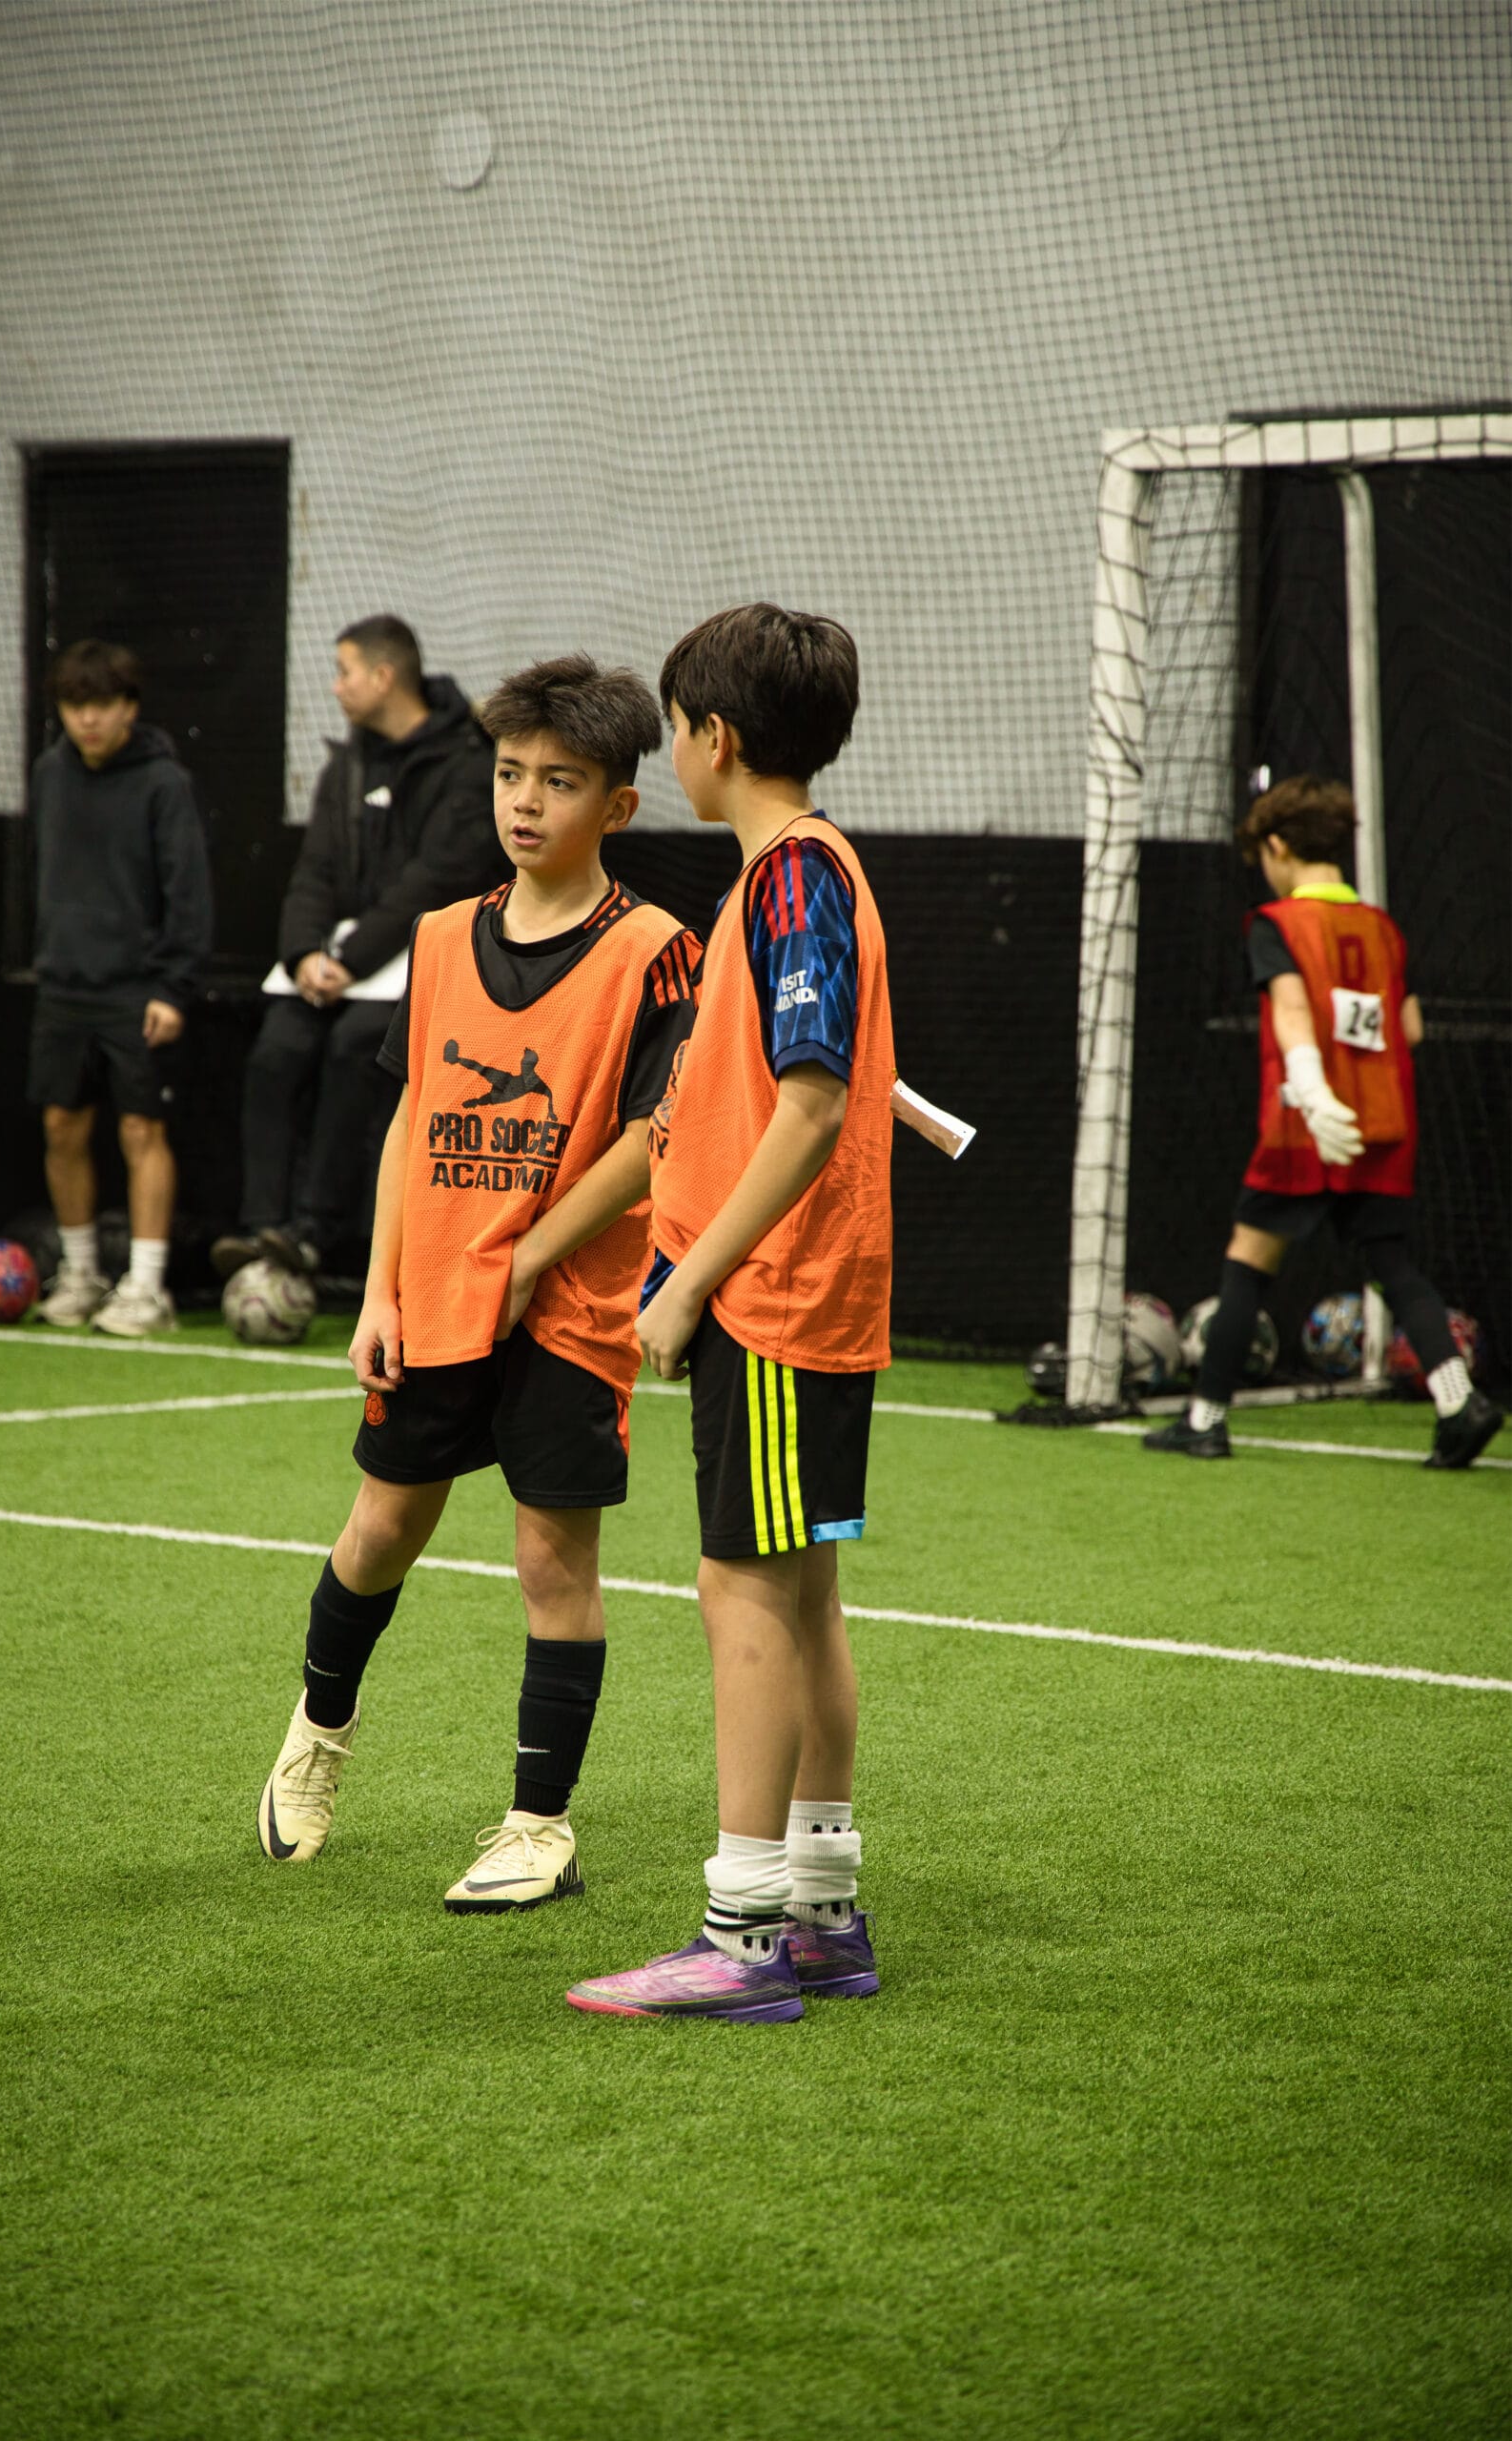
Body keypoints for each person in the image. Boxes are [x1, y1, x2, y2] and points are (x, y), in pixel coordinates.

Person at [255, 654, 704, 1912]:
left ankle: (535, 1826)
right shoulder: (443, 935)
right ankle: (316, 1739)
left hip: (567, 1310)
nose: (526, 802)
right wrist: (382, 1292)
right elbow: (412, 1114)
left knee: (553, 1565)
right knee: (379, 1532)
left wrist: (536, 1256)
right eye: (510, 775)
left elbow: (649, 1138)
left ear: (616, 805)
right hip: (436, 1293)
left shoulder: (658, 951)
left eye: (558, 783)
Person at [564, 603, 891, 2027]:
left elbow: (809, 1102)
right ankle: (819, 1913)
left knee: (743, 1593)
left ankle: (741, 1936)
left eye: (678, 723)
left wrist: (692, 1279)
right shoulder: (794, 881)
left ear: (714, 738)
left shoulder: (788, 884)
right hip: (799, 1298)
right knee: (800, 1592)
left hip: (770, 1303)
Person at [1144, 773, 1503, 1469]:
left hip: (1302, 1126)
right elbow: (1411, 1029)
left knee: (1247, 1263)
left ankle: (1206, 1419)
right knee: (1394, 1268)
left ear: (1277, 846)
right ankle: (1460, 1401)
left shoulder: (1276, 925)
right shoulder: (1382, 929)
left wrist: (1311, 1086)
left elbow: (1288, 1010)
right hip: (1379, 1125)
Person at [212, 616, 501, 1284]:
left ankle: (311, 1233)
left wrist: (353, 961)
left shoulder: (466, 765)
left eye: (344, 672)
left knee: (356, 1049)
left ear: (383, 676)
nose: (336, 687)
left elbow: (436, 879)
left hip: (417, 962)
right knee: (276, 1050)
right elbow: (312, 871)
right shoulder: (345, 765)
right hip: (334, 966)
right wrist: (303, 957)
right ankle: (260, 1233)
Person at [29, 640, 213, 1337]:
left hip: (138, 990)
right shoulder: (50, 774)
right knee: (61, 1126)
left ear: (129, 708)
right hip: (63, 987)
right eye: (76, 706)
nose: (89, 720)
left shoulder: (164, 784)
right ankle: (80, 1274)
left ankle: (145, 1286)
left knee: (142, 1129)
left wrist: (172, 986)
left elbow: (188, 895)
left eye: (102, 705)